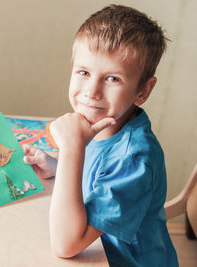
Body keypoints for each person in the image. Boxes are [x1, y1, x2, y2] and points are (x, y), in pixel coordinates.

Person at [22, 5, 178, 266]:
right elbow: (99, 178)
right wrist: (58, 167)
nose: (91, 92)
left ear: (143, 90)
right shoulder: (102, 124)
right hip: (98, 248)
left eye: (113, 79)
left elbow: (66, 245)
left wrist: (72, 148)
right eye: (84, 72)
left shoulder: (135, 159)